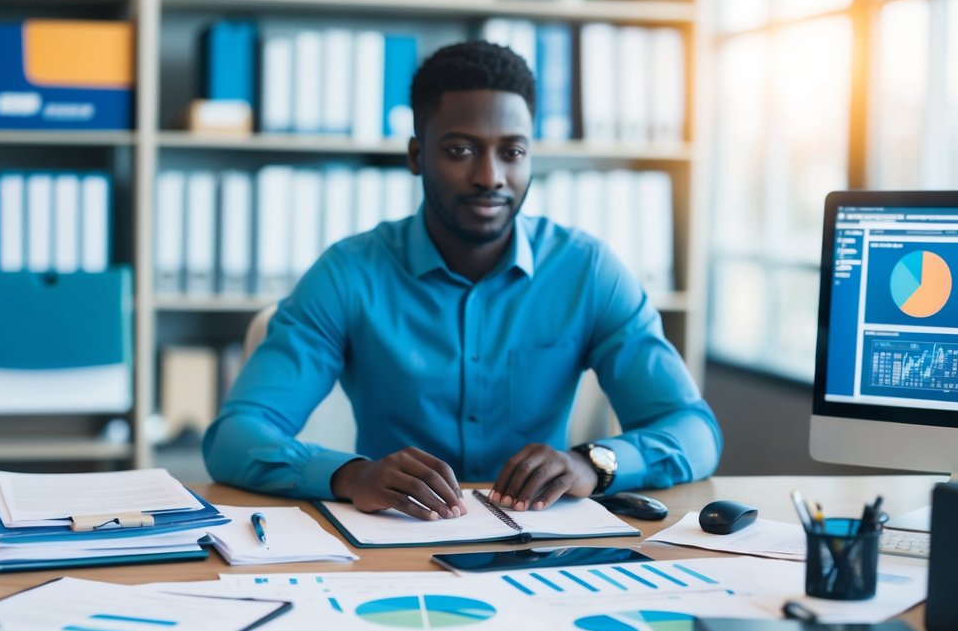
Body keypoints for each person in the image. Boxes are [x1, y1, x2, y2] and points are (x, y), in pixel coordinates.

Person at [203, 40, 721, 520]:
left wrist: (595, 463)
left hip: (540, 538)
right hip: (396, 538)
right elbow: (235, 437)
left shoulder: (587, 271)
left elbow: (695, 431)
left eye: (512, 152)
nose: (491, 176)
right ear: (415, 155)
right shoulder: (348, 274)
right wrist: (352, 474)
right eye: (460, 150)